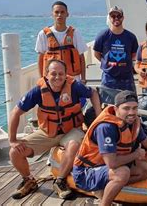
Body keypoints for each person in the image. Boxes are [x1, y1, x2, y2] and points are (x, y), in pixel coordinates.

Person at [73, 91, 147, 205]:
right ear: (116, 109)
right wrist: (136, 154)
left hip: (105, 168)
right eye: (126, 108)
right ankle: (104, 203)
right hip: (86, 172)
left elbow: (145, 140)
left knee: (145, 170)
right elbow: (112, 164)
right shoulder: (106, 127)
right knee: (123, 172)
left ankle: (108, 189)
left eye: (135, 108)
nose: (131, 112)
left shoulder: (132, 121)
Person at [8, 59, 101, 199]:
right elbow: (16, 112)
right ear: (46, 75)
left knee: (74, 144)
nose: (57, 77)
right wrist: (12, 140)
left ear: (65, 75)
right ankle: (29, 180)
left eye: (61, 74)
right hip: (48, 133)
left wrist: (99, 115)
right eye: (53, 74)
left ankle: (60, 181)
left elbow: (93, 93)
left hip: (71, 130)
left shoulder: (74, 86)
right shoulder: (38, 91)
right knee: (14, 152)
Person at [36, 1, 88, 82]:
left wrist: (83, 78)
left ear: (67, 14)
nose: (59, 15)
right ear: (52, 14)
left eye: (62, 12)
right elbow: (41, 58)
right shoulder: (43, 34)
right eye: (56, 12)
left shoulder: (75, 33)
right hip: (52, 80)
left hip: (73, 79)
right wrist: (41, 80)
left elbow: (81, 57)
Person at [94, 6, 139, 91]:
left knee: (129, 103)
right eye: (113, 16)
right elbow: (96, 53)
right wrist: (107, 63)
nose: (116, 18)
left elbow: (134, 55)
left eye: (119, 16)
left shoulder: (131, 37)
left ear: (123, 18)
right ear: (109, 18)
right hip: (108, 78)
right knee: (108, 103)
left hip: (127, 78)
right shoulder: (102, 35)